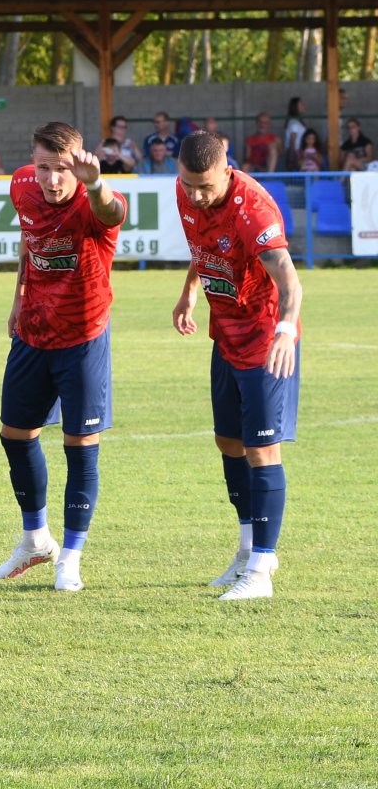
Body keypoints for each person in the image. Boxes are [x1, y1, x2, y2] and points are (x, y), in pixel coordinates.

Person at [0, 123, 125, 593]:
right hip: (32, 332)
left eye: (61, 169)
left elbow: (111, 212)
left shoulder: (95, 201)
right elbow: (29, 242)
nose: (50, 180)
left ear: (79, 164)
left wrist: (95, 183)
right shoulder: (21, 185)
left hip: (83, 338)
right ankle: (35, 539)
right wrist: (17, 298)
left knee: (80, 447)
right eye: (44, 167)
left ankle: (71, 555)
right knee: (15, 434)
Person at [171, 131, 302, 602]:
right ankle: (247, 550)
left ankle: (263, 568)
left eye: (205, 186)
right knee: (228, 441)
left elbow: (289, 279)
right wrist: (189, 290)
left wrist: (286, 330)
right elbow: (201, 245)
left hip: (267, 341)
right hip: (224, 334)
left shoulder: (254, 211)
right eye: (188, 184)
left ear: (227, 169)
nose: (196, 195)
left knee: (263, 450)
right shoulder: (185, 191)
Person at [282, 98, 308, 168]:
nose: (304, 106)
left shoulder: (297, 122)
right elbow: (292, 140)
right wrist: (292, 157)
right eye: (301, 105)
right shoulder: (294, 123)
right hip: (295, 152)